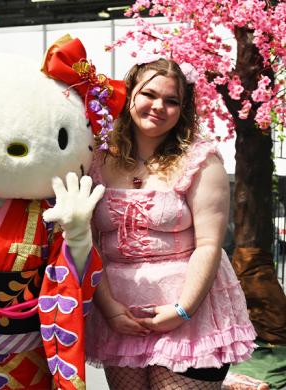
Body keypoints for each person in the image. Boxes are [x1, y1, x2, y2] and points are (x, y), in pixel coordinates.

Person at [85, 58, 256, 389]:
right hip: (120, 314)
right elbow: (87, 243)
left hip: (190, 317)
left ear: (183, 109)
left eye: (172, 100)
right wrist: (109, 309)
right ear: (129, 95)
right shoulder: (97, 160)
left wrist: (182, 310)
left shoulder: (201, 161)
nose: (158, 106)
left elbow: (209, 244)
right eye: (149, 94)